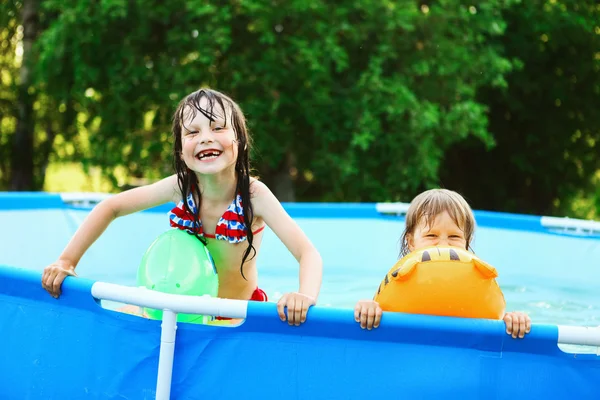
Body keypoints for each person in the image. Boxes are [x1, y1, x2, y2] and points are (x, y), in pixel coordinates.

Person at [42, 88, 323, 326]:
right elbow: (111, 207)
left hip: (234, 320)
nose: (205, 137)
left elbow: (308, 253)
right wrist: (66, 261)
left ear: (240, 141)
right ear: (181, 150)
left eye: (218, 127)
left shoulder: (253, 196)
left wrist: (304, 296)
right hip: (178, 315)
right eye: (192, 132)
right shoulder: (180, 187)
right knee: (112, 327)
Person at [354, 189, 532, 338]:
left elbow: (491, 318)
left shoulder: (476, 285)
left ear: (466, 243)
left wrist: (512, 320)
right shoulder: (398, 282)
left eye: (454, 237)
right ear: (411, 242)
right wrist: (368, 308)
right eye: (431, 236)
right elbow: (380, 316)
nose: (444, 245)